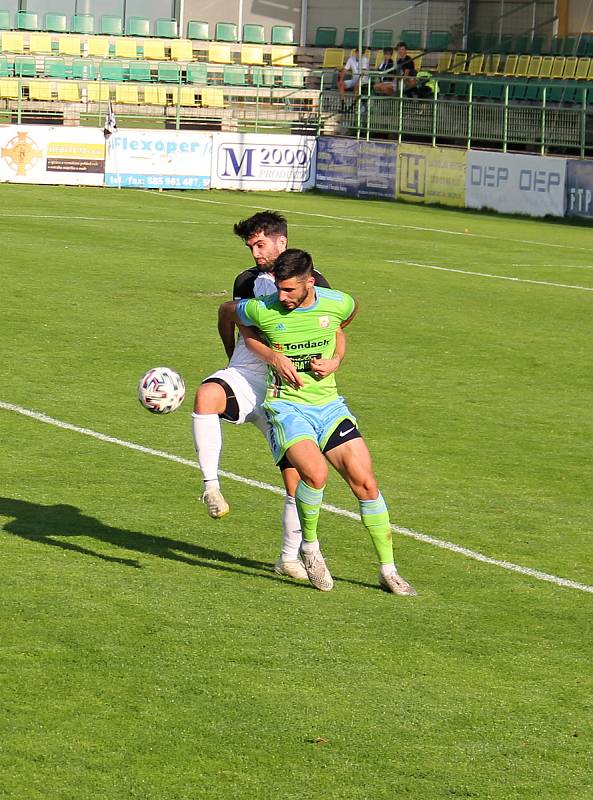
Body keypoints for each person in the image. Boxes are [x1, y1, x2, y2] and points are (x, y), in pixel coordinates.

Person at [233, 248, 417, 597]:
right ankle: (310, 549)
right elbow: (232, 313)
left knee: (366, 483)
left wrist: (336, 360)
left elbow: (342, 326)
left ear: (310, 282)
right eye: (278, 288)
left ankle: (388, 570)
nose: (281, 297)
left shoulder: (338, 303)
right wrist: (271, 354)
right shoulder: (263, 308)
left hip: (330, 406)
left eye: (289, 290)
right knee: (315, 475)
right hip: (287, 408)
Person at [191, 211, 344, 581]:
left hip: (287, 391)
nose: (256, 253)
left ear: (282, 241)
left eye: (260, 244)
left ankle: (290, 557)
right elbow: (231, 314)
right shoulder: (247, 281)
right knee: (207, 395)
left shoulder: (315, 283)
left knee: (301, 477)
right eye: (251, 246)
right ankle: (211, 487)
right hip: (247, 375)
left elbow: (334, 324)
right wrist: (232, 354)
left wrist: (333, 361)